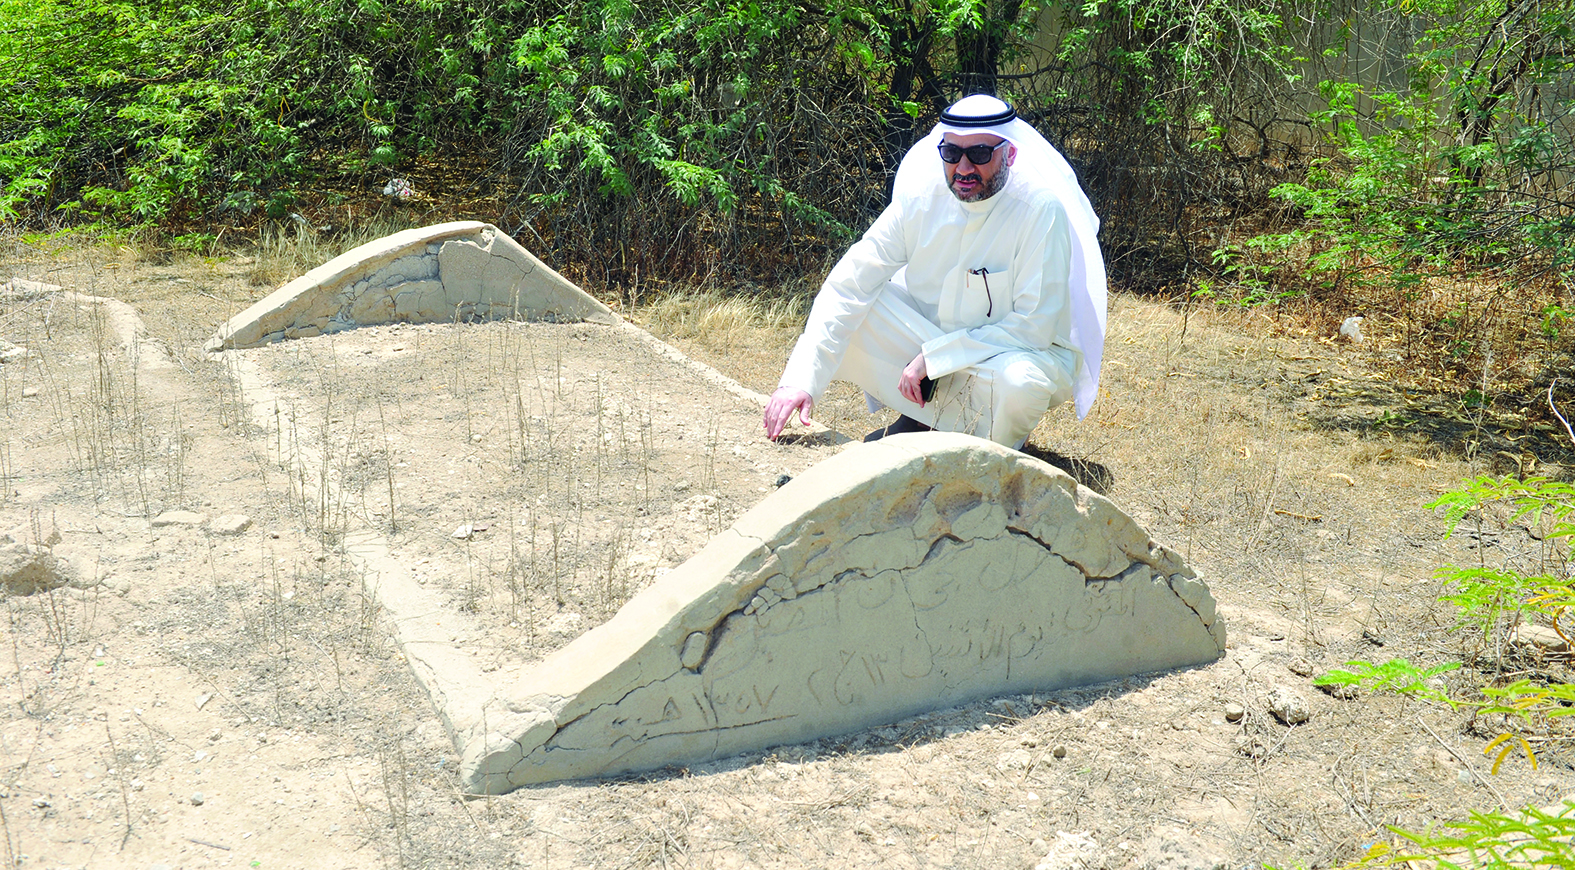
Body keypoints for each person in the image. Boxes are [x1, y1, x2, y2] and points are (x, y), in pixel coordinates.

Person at [762, 94, 1106, 448]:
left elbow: (1034, 328)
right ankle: (921, 420)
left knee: (1020, 384)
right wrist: (800, 379)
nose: (964, 168)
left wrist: (936, 357)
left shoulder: (1039, 210)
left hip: (1014, 354)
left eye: (980, 154)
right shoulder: (920, 198)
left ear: (1010, 154)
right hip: (930, 343)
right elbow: (849, 284)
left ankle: (982, 457)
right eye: (952, 154)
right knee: (860, 302)